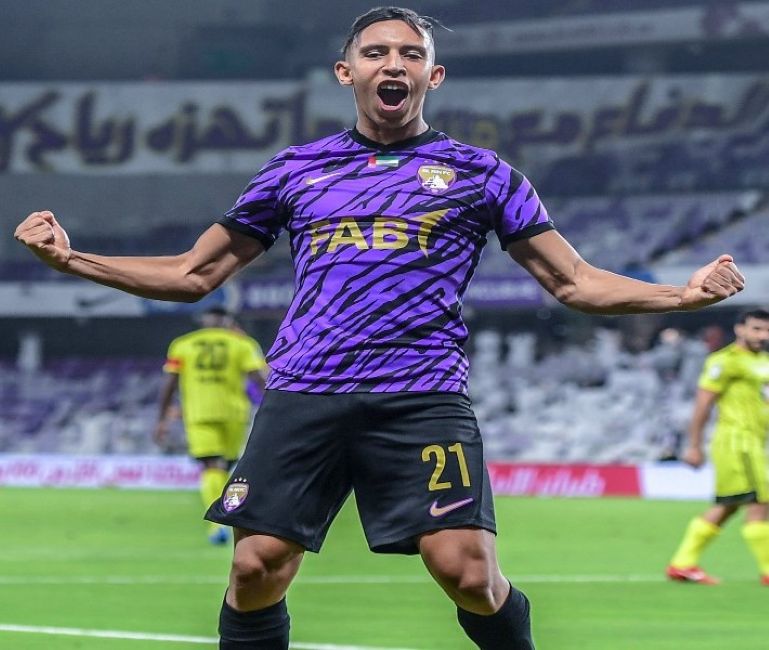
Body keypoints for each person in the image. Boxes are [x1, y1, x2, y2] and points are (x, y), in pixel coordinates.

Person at [14, 6, 745, 649]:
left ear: (433, 75)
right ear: (347, 72)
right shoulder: (294, 170)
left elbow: (573, 281)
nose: (393, 63)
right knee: (255, 567)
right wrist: (72, 259)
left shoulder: (483, 174)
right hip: (305, 391)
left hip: (421, 395)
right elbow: (192, 274)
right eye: (376, 52)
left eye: (411, 54)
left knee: (468, 574)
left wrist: (679, 295)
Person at [666, 308, 769, 586]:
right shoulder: (724, 361)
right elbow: (703, 404)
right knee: (760, 502)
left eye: (767, 330)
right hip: (737, 442)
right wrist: (694, 445)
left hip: (756, 442)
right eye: (756, 329)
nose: (763, 335)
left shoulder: (763, 361)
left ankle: (683, 563)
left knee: (730, 505)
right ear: (740, 329)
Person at [154, 306, 268, 545]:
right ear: (227, 321)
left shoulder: (182, 344)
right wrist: (274, 410)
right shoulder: (243, 344)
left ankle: (218, 524)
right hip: (235, 414)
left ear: (205, 320)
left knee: (211, 467)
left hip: (199, 413)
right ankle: (228, 515)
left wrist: (162, 418)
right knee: (226, 468)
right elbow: (259, 379)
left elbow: (170, 383)